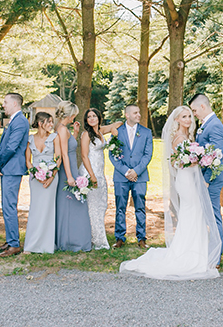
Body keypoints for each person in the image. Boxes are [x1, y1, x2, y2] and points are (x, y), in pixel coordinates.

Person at [119, 106, 221, 280]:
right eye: (184, 117)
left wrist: (200, 158)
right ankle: (188, 255)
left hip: (189, 179)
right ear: (177, 120)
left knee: (194, 213)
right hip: (186, 180)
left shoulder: (189, 136)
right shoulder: (179, 138)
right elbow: (178, 162)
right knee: (192, 212)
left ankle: (194, 253)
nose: (188, 119)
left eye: (190, 116)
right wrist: (199, 160)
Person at [189, 93, 223, 259]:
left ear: (203, 106)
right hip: (204, 176)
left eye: (194, 110)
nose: (194, 113)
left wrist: (206, 180)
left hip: (212, 179)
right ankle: (206, 253)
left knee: (213, 217)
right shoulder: (206, 124)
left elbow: (216, 155)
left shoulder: (215, 126)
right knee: (205, 216)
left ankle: (215, 257)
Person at [111, 104, 153, 249]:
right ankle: (119, 238)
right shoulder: (116, 132)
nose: (139, 115)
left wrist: (136, 171)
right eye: (135, 113)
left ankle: (141, 238)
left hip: (140, 177)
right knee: (120, 207)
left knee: (140, 207)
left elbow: (148, 155)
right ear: (127, 115)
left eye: (139, 112)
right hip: (121, 176)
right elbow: (113, 154)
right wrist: (126, 172)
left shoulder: (146, 132)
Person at [79, 109, 122, 250]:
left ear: (99, 117)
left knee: (101, 205)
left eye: (94, 116)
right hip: (90, 172)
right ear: (86, 120)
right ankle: (97, 240)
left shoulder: (101, 131)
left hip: (100, 172)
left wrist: (114, 129)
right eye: (89, 117)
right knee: (93, 207)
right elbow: (84, 156)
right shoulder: (86, 135)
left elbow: (119, 122)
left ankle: (95, 236)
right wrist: (91, 175)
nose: (91, 119)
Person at [55, 101, 93, 252]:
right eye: (74, 116)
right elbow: (64, 154)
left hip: (71, 169)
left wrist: (75, 134)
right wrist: (70, 176)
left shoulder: (64, 129)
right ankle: (70, 241)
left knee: (72, 205)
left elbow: (69, 147)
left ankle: (71, 239)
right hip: (67, 171)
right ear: (70, 115)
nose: (74, 118)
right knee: (74, 205)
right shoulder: (62, 129)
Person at [0, 92, 29, 257]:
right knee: (6, 205)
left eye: (5, 102)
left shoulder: (20, 121)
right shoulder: (15, 120)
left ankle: (14, 244)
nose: (3, 105)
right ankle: (10, 239)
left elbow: (11, 147)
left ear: (15, 104)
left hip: (12, 168)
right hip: (9, 168)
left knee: (9, 206)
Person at [23, 112, 60, 254]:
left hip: (51, 178)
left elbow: (58, 159)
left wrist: (50, 177)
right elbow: (28, 161)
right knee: (35, 210)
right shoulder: (30, 139)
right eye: (49, 122)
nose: (51, 124)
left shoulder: (54, 138)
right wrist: (36, 175)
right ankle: (31, 245)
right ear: (40, 123)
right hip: (35, 179)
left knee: (48, 210)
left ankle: (46, 246)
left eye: (52, 122)